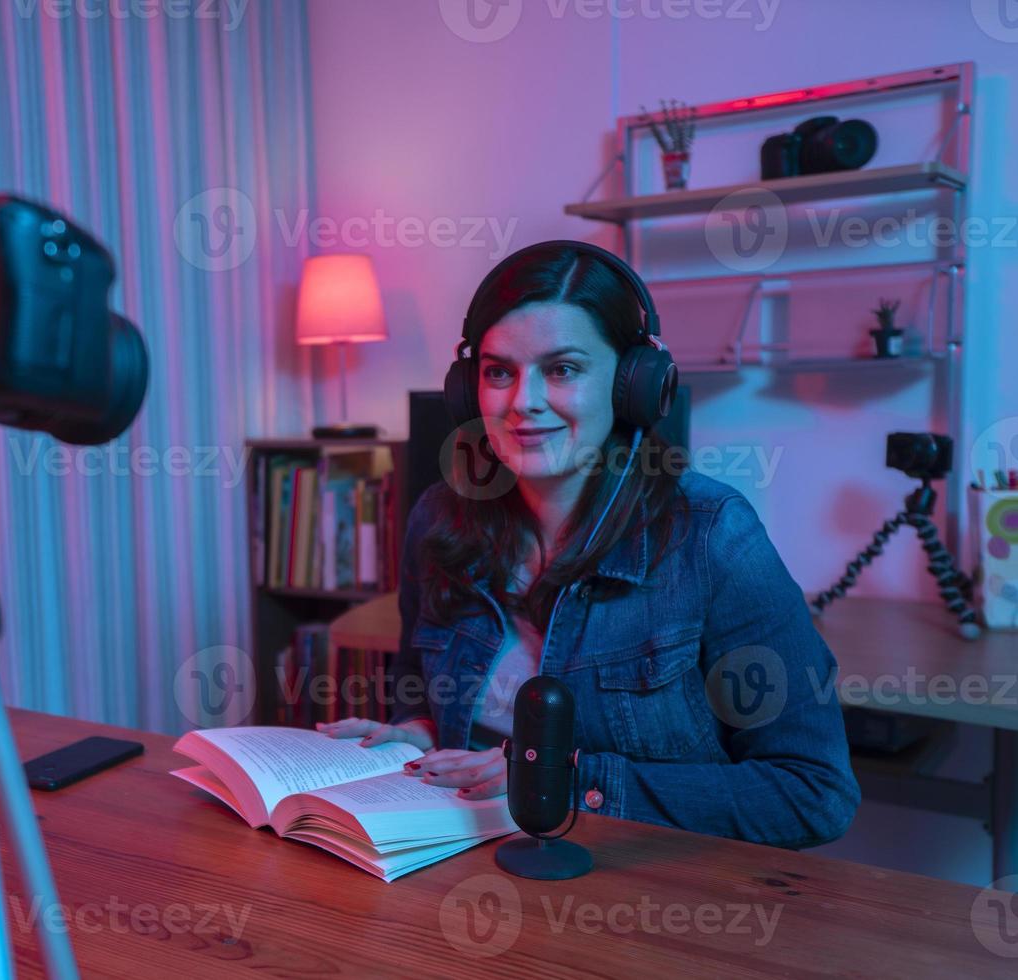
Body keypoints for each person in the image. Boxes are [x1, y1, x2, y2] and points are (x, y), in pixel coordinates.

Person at [318, 241, 859, 850]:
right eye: (499, 372)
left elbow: (811, 793)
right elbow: (421, 689)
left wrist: (564, 781)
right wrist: (418, 731)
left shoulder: (713, 536)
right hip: (462, 865)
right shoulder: (438, 520)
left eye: (563, 369)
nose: (523, 401)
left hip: (644, 891)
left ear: (633, 384)